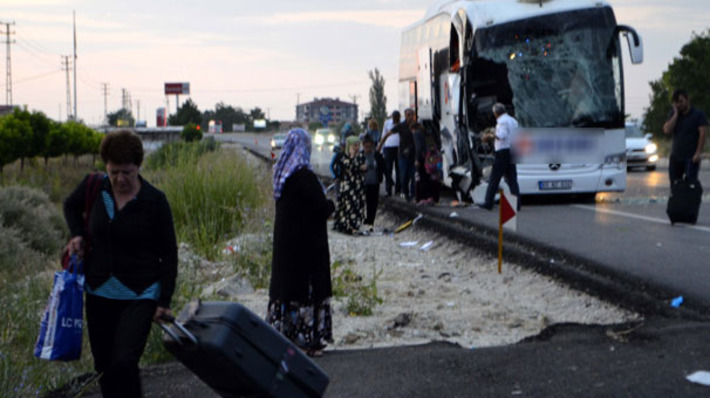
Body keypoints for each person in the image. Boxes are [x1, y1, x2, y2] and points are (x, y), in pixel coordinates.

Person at [63, 130, 178, 398]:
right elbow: (70, 206)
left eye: (127, 172)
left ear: (138, 167)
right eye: (114, 171)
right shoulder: (95, 187)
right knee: (104, 367)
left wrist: (164, 300)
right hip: (99, 292)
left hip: (140, 293)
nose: (119, 179)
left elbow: (169, 253)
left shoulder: (154, 201)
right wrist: (77, 233)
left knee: (125, 362)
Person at [267, 128, 335, 358]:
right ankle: (306, 342)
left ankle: (286, 340)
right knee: (305, 294)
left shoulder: (283, 175)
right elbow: (320, 207)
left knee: (288, 292)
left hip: (287, 249)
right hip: (306, 250)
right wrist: (332, 206)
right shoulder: (304, 176)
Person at [479, 103, 521, 211]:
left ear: (496, 113)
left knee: (494, 178)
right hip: (512, 150)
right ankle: (517, 205)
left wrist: (488, 136)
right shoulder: (513, 120)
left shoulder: (502, 122)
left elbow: (501, 136)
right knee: (512, 179)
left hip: (502, 152)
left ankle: (488, 203)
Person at [662, 89, 707, 183]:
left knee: (690, 184)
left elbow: (702, 134)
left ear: (687, 99)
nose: (679, 105)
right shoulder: (674, 115)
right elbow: (666, 130)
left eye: (681, 101)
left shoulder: (698, 114)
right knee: (675, 185)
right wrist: (675, 114)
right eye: (677, 103)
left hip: (691, 157)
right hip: (676, 156)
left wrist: (698, 153)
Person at [333, 136, 366, 234]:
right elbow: (347, 165)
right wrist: (353, 160)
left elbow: (364, 167)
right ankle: (348, 226)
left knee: (357, 205)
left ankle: (355, 225)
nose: (357, 147)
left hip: (358, 184)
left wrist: (357, 165)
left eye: (358, 145)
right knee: (348, 205)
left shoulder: (360, 156)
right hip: (348, 185)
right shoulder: (343, 156)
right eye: (354, 145)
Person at [412, 122, 442, 205]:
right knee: (431, 178)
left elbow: (418, 148)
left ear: (413, 129)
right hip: (431, 158)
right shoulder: (427, 133)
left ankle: (425, 197)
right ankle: (432, 197)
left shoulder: (417, 134)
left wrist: (417, 159)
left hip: (423, 159)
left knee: (423, 178)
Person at [362, 134, 385, 231]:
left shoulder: (377, 156)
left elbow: (383, 168)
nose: (368, 149)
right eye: (366, 147)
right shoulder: (361, 156)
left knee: (373, 203)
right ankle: (365, 220)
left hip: (375, 183)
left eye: (370, 147)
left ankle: (371, 221)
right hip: (364, 183)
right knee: (365, 203)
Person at [392, 108, 417, 202]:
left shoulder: (416, 126)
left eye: (412, 114)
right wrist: (380, 146)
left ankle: (413, 194)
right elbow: (388, 134)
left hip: (414, 154)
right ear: (405, 116)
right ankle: (405, 191)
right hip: (403, 154)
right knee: (403, 175)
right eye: (408, 114)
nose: (410, 116)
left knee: (413, 175)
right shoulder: (401, 126)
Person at [378, 111, 401, 197]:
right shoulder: (387, 123)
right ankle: (388, 190)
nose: (395, 120)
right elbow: (384, 135)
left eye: (397, 118)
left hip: (399, 148)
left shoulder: (402, 122)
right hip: (388, 147)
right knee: (388, 169)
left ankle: (398, 189)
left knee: (399, 169)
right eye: (394, 118)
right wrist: (381, 148)